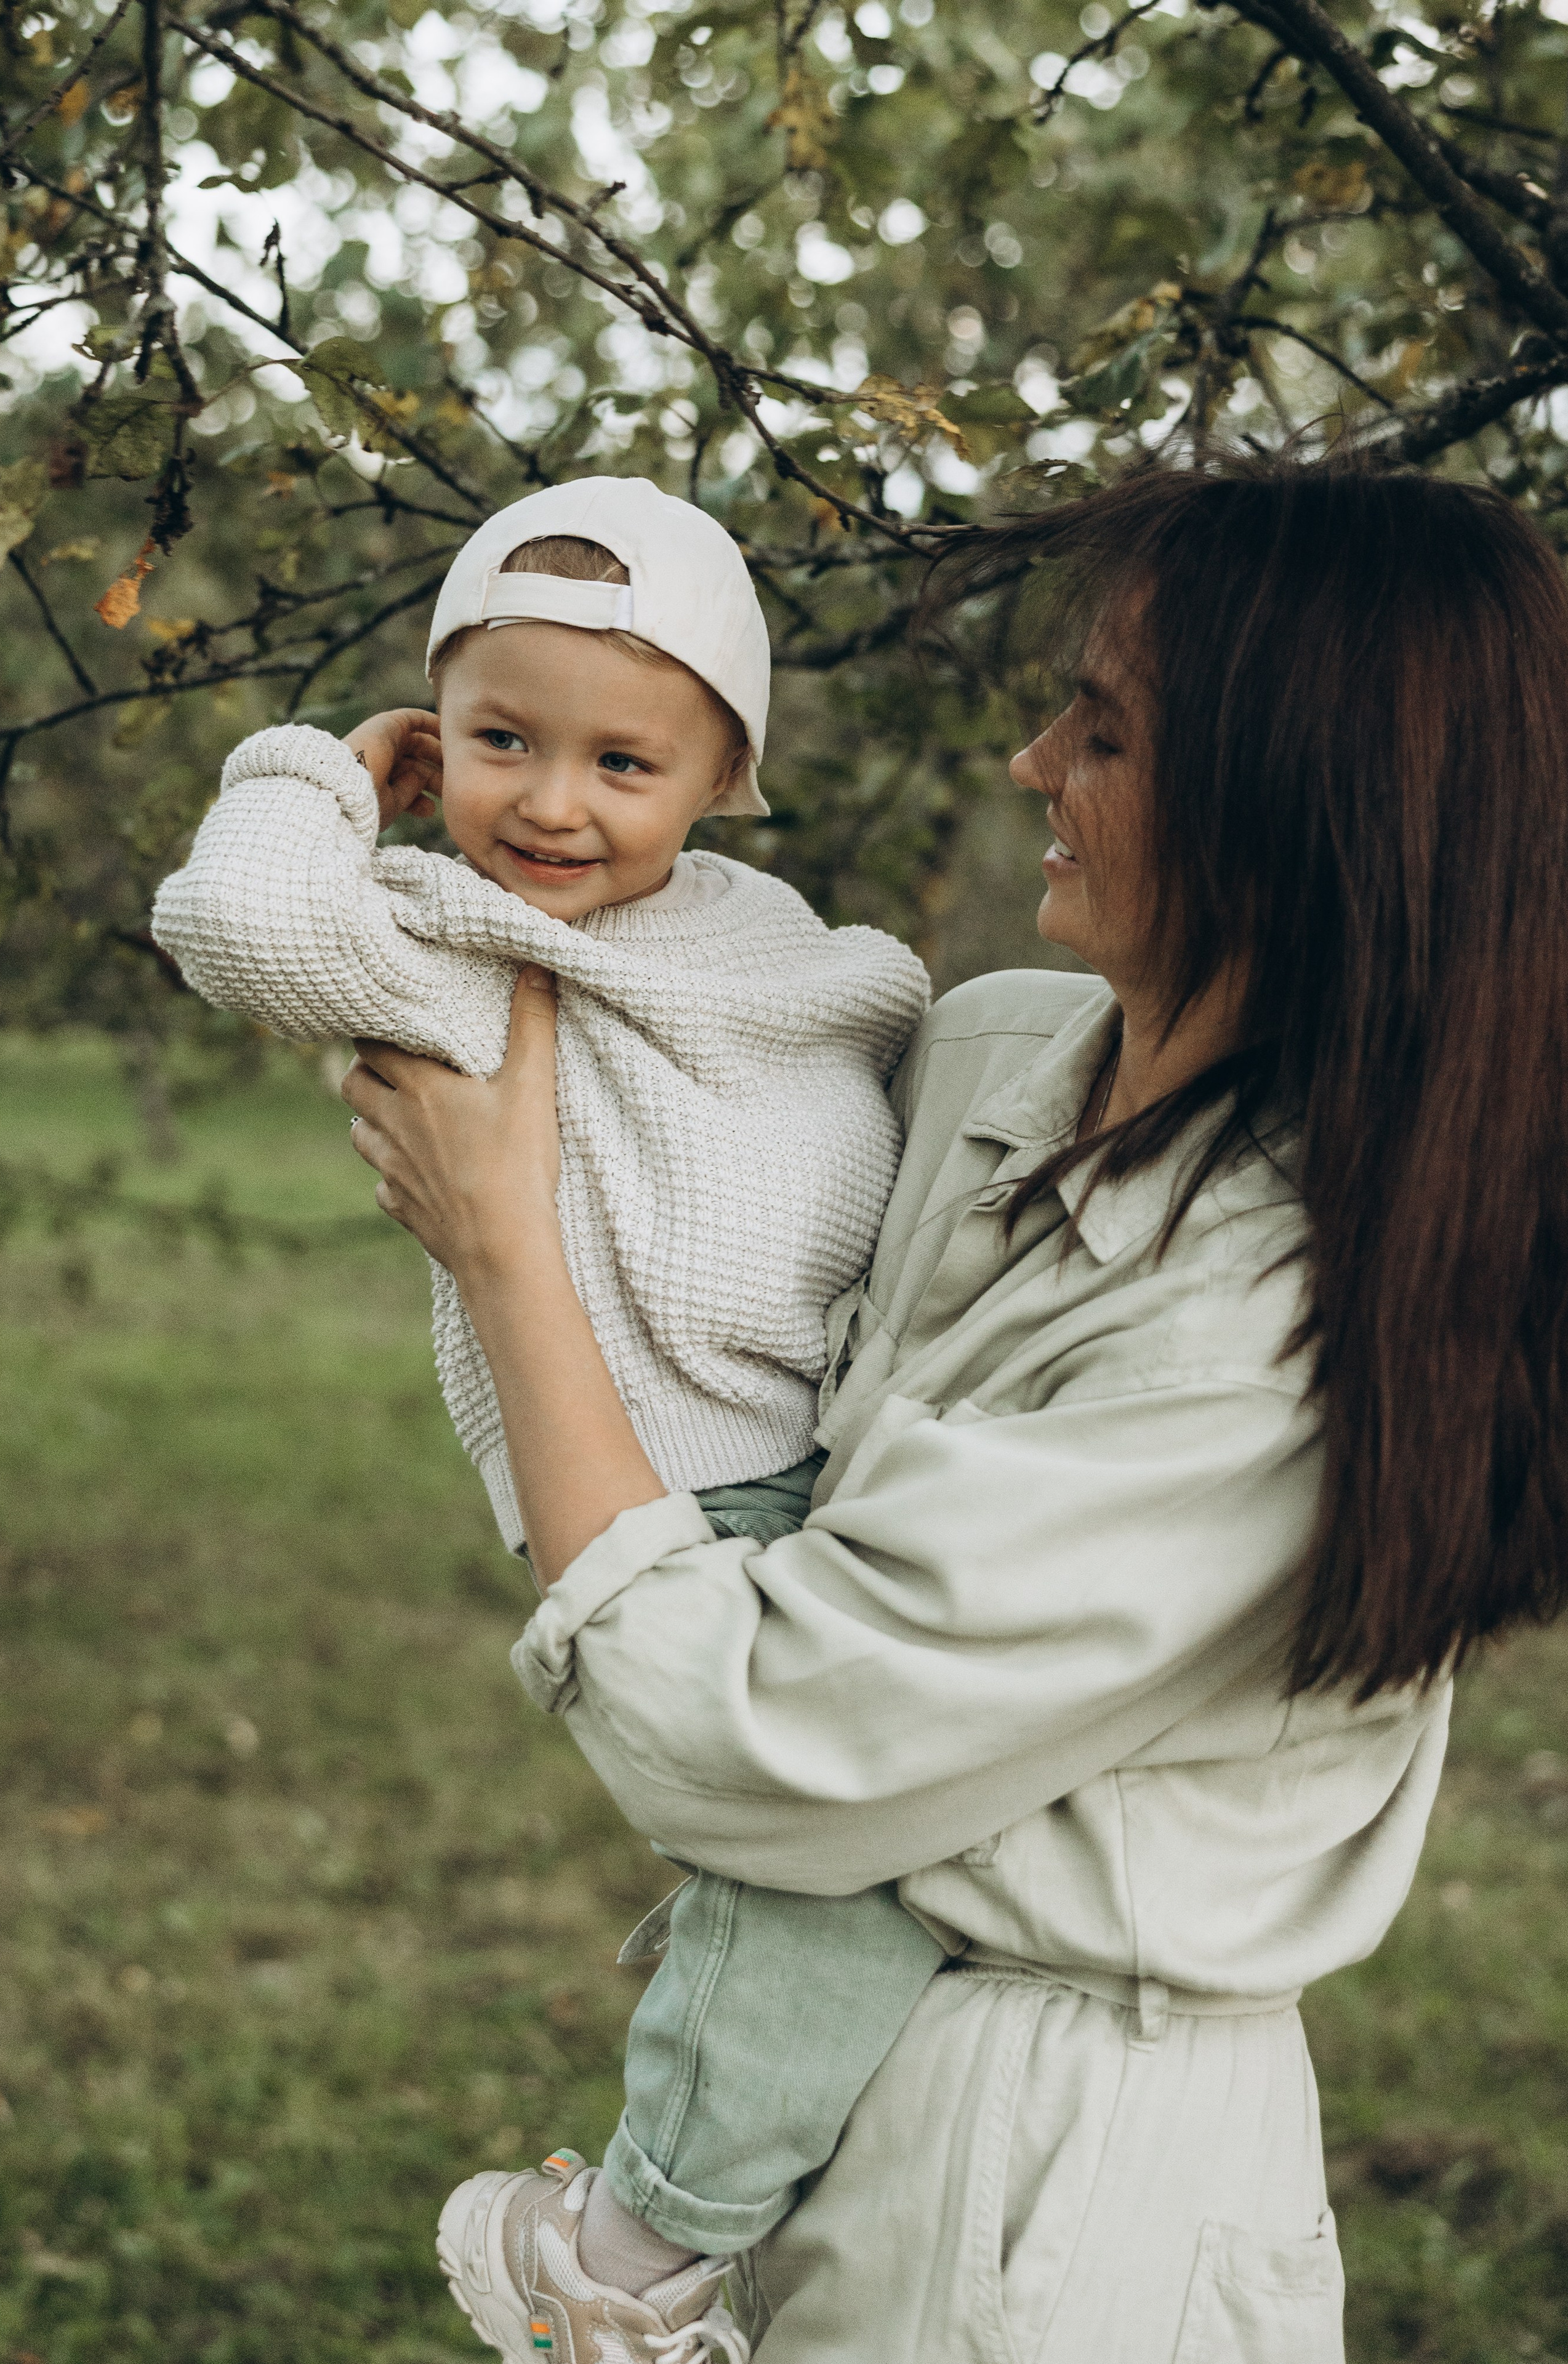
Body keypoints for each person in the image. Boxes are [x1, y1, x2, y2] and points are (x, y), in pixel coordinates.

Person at [342, 460, 1568, 2362]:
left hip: (1057, 2195)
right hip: (816, 2078)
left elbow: (757, 1738)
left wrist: (505, 1248)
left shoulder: (1277, 1324)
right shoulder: (992, 1052)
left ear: (1291, 797)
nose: (1028, 764)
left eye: (1106, 729)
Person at [151, 476, 966, 2362]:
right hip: (668, 1474)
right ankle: (629, 2247)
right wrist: (325, 770)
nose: (554, 804)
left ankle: (727, 2124)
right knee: (843, 1864)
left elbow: (870, 1030)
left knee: (871, 1848)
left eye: (624, 761)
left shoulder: (761, 936)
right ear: (442, 748)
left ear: (721, 781)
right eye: (502, 742)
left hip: (835, 1458)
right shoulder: (445, 933)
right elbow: (241, 925)